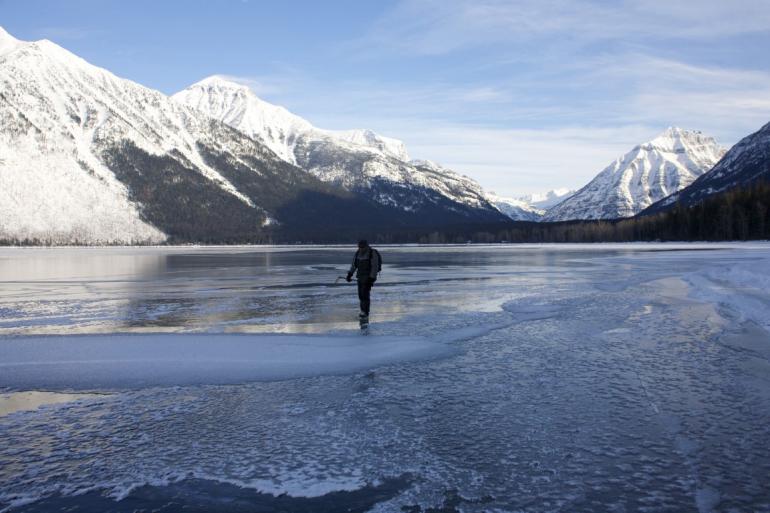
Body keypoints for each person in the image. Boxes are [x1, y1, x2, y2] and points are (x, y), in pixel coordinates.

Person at [346, 239, 381, 319]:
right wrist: (350, 274)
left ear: (366, 246)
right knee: (361, 295)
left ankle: (365, 312)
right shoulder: (357, 253)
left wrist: (372, 279)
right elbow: (354, 265)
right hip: (360, 277)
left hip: (368, 278)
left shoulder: (372, 253)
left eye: (362, 247)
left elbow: (374, 267)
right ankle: (362, 311)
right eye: (359, 247)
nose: (361, 248)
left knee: (365, 295)